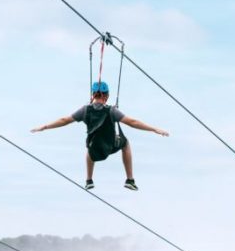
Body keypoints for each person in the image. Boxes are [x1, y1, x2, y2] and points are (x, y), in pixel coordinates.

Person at [30, 81, 168, 191]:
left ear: (93, 95)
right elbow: (133, 122)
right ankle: (130, 180)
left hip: (95, 151)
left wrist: (45, 127)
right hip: (110, 146)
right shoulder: (112, 111)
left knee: (90, 148)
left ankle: (89, 180)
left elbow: (64, 120)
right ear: (106, 96)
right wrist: (154, 129)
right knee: (125, 143)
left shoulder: (85, 110)